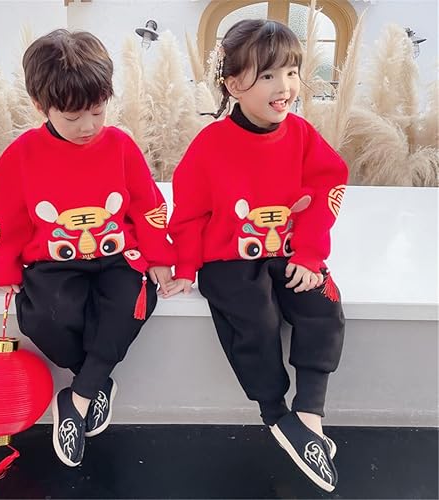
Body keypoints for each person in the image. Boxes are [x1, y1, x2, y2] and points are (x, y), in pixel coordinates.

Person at [165, 19, 347, 492]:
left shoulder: (302, 135)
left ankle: (308, 415)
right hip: (229, 261)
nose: (283, 86)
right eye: (267, 75)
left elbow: (327, 188)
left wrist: (309, 254)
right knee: (256, 319)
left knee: (323, 302)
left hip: (288, 252)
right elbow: (188, 213)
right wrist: (185, 267)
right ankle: (275, 413)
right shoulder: (210, 145)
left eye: (290, 72)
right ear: (233, 85)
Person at [0, 29, 174, 468]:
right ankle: (96, 382)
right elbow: (3, 215)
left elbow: (148, 205)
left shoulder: (121, 146)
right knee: (46, 317)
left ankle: (78, 397)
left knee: (131, 306)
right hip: (53, 261)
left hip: (117, 257)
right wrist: (4, 268)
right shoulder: (22, 155)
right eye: (73, 117)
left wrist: (161, 257)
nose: (88, 126)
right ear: (40, 106)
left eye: (97, 111)